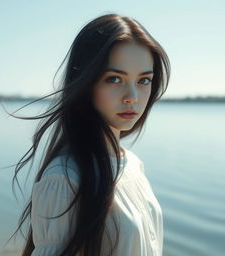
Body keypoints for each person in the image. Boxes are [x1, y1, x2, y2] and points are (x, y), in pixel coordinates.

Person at [9, 13, 170, 256]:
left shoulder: (133, 165)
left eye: (144, 80)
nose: (133, 97)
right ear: (85, 82)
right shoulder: (65, 178)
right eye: (114, 79)